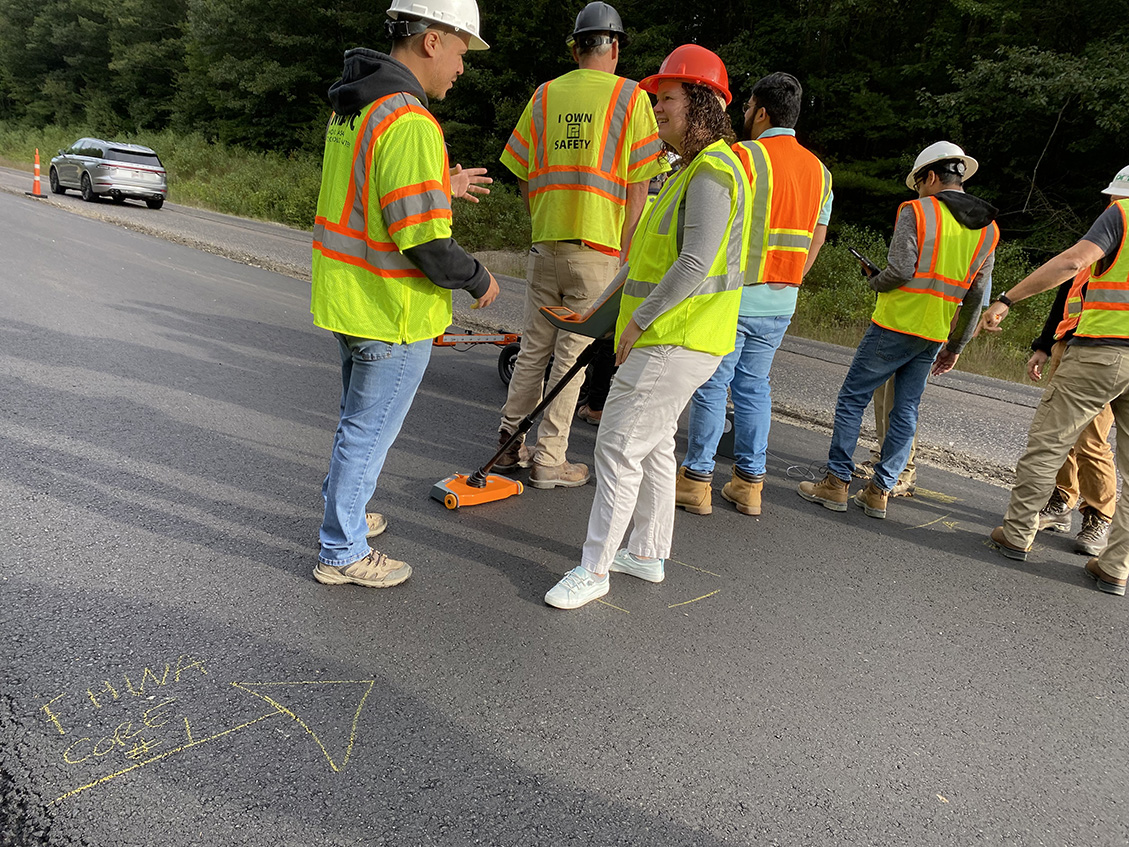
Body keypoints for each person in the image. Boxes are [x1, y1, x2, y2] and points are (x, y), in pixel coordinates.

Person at [544, 45, 750, 610]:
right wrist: (592, 314)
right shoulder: (683, 170)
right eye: (656, 99)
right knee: (655, 445)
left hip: (675, 337)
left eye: (668, 99)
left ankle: (595, 568)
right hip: (676, 335)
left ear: (703, 103)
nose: (657, 108)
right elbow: (642, 263)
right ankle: (649, 553)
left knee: (615, 445)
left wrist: (633, 323)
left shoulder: (711, 171)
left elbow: (693, 264)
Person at [310, 0, 500, 589]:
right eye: (462, 51)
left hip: (349, 296)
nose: (463, 68)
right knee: (367, 432)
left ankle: (348, 515)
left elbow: (375, 191)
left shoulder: (359, 104)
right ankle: (342, 551)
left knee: (355, 425)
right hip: (391, 310)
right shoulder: (412, 122)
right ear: (432, 41)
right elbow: (422, 240)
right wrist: (478, 277)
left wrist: (443, 182)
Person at [494, 1, 668, 489]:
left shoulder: (545, 96)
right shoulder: (632, 98)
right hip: (596, 250)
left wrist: (542, 220)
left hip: (545, 243)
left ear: (576, 47)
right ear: (613, 47)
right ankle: (549, 460)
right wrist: (625, 248)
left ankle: (509, 444)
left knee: (533, 349)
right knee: (573, 356)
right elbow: (640, 186)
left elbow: (525, 174)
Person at [797, 141, 998, 519]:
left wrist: (875, 280)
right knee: (906, 409)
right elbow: (975, 296)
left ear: (932, 177)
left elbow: (902, 271)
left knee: (852, 398)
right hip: (935, 333)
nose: (918, 191)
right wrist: (957, 345)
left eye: (919, 183)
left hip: (895, 324)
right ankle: (879, 492)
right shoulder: (988, 229)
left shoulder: (916, 211)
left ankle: (836, 484)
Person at [675, 72, 832, 517]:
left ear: (762, 112)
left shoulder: (742, 157)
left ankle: (696, 479)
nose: (743, 115)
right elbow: (815, 240)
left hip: (733, 296)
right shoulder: (820, 172)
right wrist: (789, 279)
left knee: (712, 384)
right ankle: (748, 485)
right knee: (754, 388)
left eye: (746, 108)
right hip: (782, 300)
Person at [981, 165, 1129, 596]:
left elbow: (1072, 262)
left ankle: (1017, 532)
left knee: (1050, 440)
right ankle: (1116, 566)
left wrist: (1008, 298)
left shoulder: (1121, 215)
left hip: (1105, 351)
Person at [1026, 267, 1115, 555]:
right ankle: (1062, 501)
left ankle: (1099, 517)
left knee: (1091, 440)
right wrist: (1045, 345)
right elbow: (1067, 293)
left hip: (1107, 351)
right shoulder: (1095, 240)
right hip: (1070, 343)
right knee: (1058, 433)